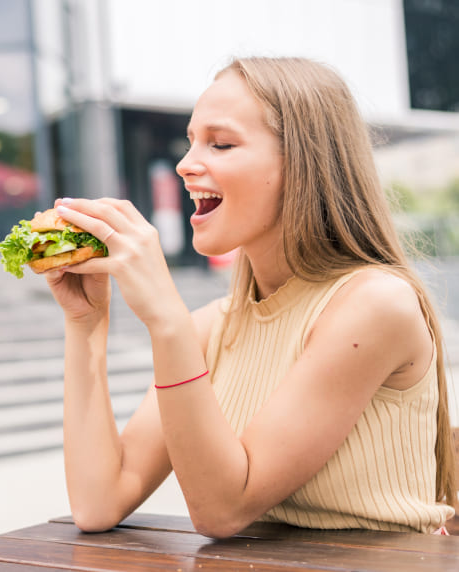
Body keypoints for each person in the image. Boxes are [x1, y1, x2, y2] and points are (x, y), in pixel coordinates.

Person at [44, 56, 456, 538]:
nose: (185, 164)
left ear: (303, 164)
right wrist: (86, 325)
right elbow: (98, 503)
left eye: (220, 143)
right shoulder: (211, 327)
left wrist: (165, 318)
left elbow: (222, 510)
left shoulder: (374, 304)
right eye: (190, 142)